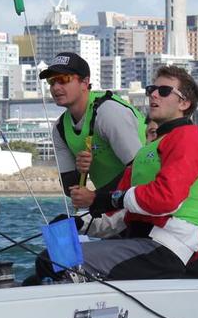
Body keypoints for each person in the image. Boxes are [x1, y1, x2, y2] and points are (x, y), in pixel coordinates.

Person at [32, 65, 198, 281]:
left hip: (169, 248)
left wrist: (113, 198)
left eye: (164, 91)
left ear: (184, 103)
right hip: (142, 243)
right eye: (152, 89)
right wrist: (82, 222)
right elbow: (121, 214)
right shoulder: (147, 153)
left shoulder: (190, 137)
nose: (153, 94)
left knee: (53, 261)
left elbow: (165, 199)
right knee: (48, 263)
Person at [41, 52, 145, 210]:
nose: (55, 87)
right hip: (114, 203)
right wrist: (79, 169)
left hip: (145, 200)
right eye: (52, 81)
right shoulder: (60, 129)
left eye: (63, 79)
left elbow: (140, 171)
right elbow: (71, 188)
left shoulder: (108, 112)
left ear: (85, 82)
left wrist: (96, 197)